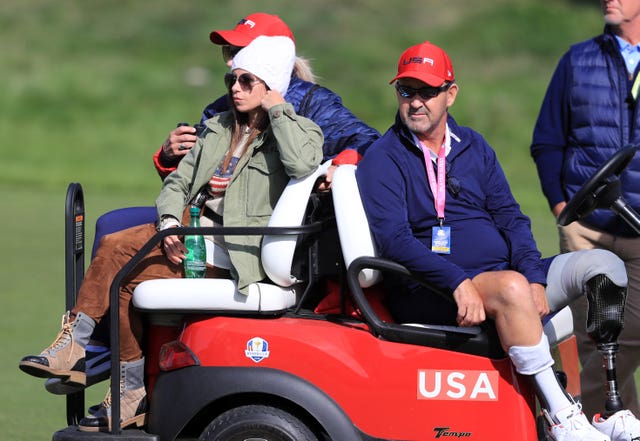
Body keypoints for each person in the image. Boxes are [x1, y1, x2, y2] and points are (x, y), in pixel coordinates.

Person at [19, 35, 324, 431]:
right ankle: (128, 392)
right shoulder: (218, 128)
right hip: (194, 237)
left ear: (269, 85)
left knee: (114, 246)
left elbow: (303, 164)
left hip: (235, 253)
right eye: (232, 78)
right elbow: (176, 185)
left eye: (248, 80)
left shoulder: (297, 130)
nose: (235, 87)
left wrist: (278, 107)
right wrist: (167, 226)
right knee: (123, 283)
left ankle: (76, 347)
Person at [357, 40, 640, 441]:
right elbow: (395, 240)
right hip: (433, 289)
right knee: (511, 289)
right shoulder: (384, 157)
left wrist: (534, 276)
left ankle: (609, 406)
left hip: (505, 275)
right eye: (407, 91)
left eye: (427, 91)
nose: (416, 102)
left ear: (450, 94)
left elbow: (511, 217)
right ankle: (561, 416)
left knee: (603, 266)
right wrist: (457, 281)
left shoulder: (474, 146)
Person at [91, 12, 379, 256]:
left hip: (262, 233)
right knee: (111, 224)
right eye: (229, 52)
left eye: (239, 52)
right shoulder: (222, 106)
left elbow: (369, 144)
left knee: (116, 243)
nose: (230, 62)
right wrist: (170, 156)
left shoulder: (312, 102)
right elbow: (193, 182)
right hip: (207, 216)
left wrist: (345, 162)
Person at [530, 0, 640, 421]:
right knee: (597, 340)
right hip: (586, 229)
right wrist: (561, 203)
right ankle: (618, 427)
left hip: (638, 229)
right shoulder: (578, 60)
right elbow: (547, 140)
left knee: (625, 340)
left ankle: (575, 420)